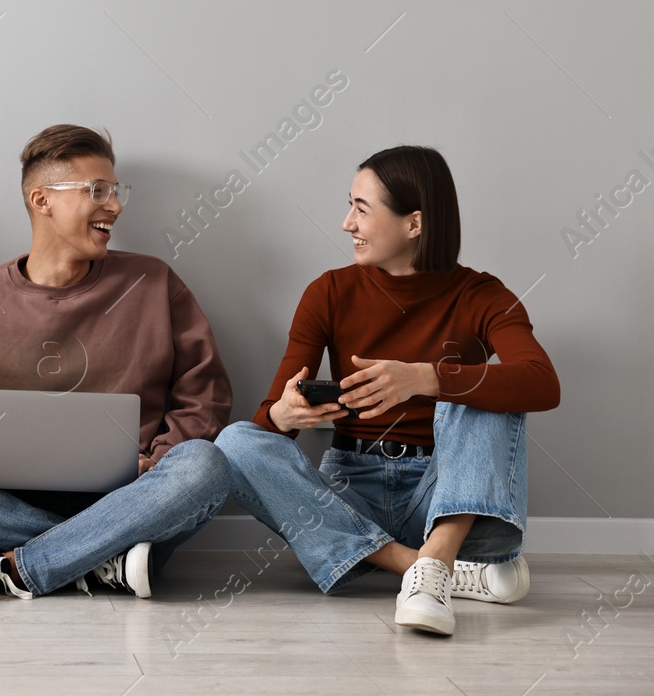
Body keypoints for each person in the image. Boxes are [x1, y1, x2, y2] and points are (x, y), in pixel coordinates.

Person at [216, 145, 560, 636]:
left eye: (361, 208)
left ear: (414, 224)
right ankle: (421, 568)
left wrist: (428, 377)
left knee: (486, 391)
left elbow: (542, 382)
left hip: (445, 499)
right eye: (349, 205)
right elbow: (266, 429)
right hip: (349, 489)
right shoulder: (329, 292)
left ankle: (435, 556)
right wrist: (284, 415)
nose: (346, 223)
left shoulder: (481, 295)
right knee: (235, 442)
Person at [0, 124, 233, 601]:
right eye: (98, 190)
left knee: (204, 465)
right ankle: (101, 563)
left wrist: (156, 462)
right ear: (41, 200)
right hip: (5, 503)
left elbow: (205, 394)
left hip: (133, 499)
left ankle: (20, 566)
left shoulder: (153, 281)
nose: (116, 204)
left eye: (116, 190)